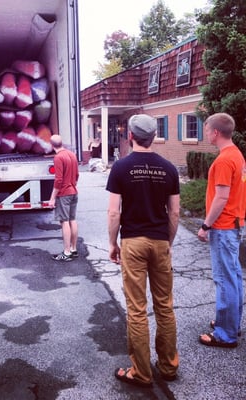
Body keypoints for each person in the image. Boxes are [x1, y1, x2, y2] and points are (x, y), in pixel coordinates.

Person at [106, 114, 180, 387]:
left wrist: (113, 244)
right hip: (160, 241)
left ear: (131, 137)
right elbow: (175, 212)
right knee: (165, 306)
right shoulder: (169, 168)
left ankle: (141, 372)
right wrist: (167, 242)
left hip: (133, 243)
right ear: (154, 137)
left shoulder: (121, 167)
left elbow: (114, 213)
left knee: (137, 310)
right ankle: (169, 367)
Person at [197, 112, 245, 348]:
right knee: (234, 276)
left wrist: (206, 225)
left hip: (224, 227)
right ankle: (231, 323)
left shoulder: (225, 159)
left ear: (215, 132)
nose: (206, 134)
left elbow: (222, 197)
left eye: (207, 130)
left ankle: (225, 334)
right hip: (235, 225)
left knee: (225, 279)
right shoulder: (237, 155)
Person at [49, 134, 79, 262]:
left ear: (52, 145)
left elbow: (58, 180)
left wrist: (52, 198)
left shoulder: (58, 157)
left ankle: (66, 253)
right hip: (73, 192)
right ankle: (73, 249)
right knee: (72, 220)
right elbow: (77, 174)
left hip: (64, 194)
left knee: (64, 222)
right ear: (62, 143)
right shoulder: (72, 155)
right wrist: (72, 185)